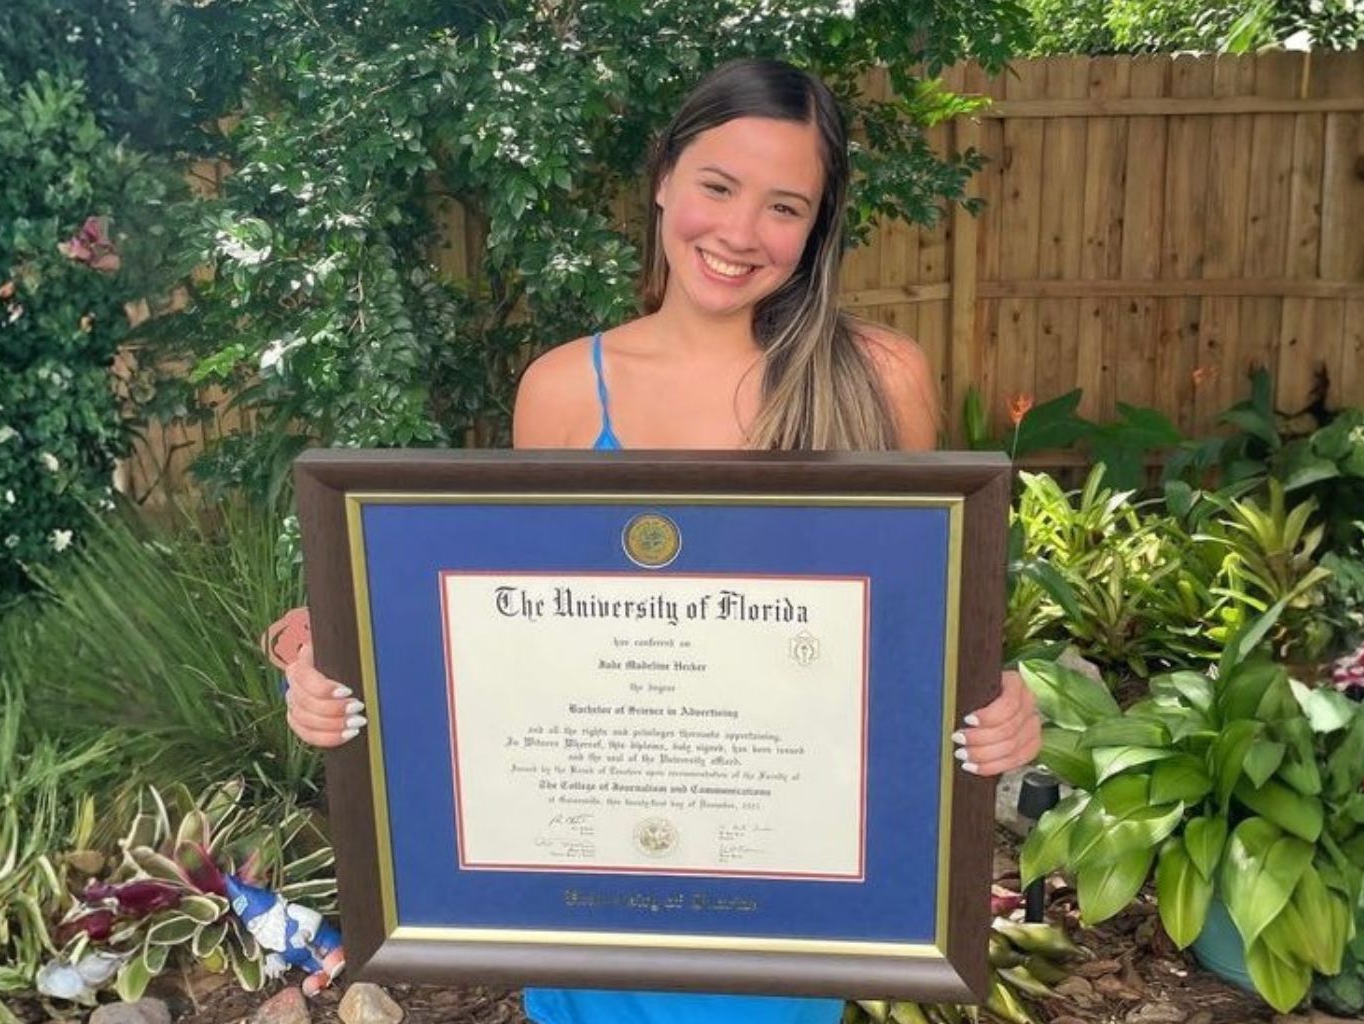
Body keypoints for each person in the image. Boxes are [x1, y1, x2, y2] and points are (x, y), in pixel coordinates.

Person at [267, 57, 1044, 1024]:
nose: (738, 231)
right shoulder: (560, 388)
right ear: (666, 176)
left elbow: (915, 640)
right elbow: (517, 644)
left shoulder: (876, 378)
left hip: (786, 891)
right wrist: (327, 663)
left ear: (818, 226)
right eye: (718, 186)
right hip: (590, 893)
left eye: (784, 206)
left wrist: (997, 704)